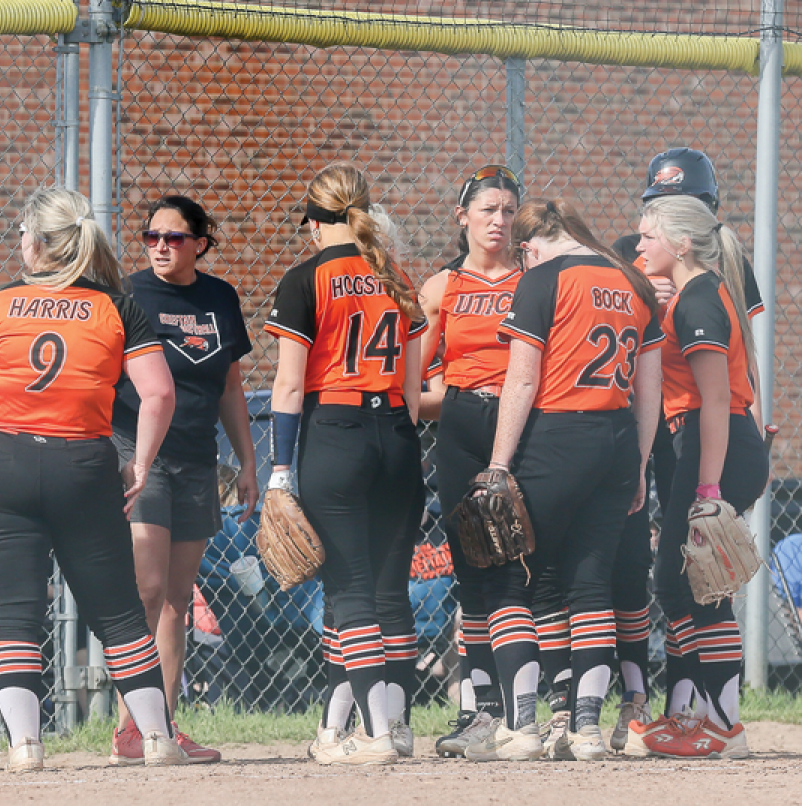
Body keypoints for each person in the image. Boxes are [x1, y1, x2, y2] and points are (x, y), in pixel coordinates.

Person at [0, 188, 185, 772]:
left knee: (12, 611)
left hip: (3, 463)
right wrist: (141, 463)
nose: (18, 243)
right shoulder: (116, 305)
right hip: (83, 464)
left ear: (39, 243)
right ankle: (155, 737)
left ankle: (25, 746)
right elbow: (159, 393)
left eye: (23, 234)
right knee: (118, 610)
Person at [465, 199, 662, 762]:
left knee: (507, 570)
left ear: (529, 246)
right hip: (618, 438)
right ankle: (584, 728)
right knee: (589, 582)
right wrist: (641, 466)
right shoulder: (632, 280)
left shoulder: (543, 279)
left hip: (557, 433)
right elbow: (649, 391)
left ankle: (523, 725)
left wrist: (499, 466)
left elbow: (522, 383)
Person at [265, 162, 427, 765]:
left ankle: (377, 735)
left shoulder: (307, 277)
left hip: (336, 430)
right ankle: (394, 726)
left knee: (350, 589)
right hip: (397, 434)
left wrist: (281, 470)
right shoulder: (394, 274)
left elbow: (287, 387)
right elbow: (413, 390)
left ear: (313, 222)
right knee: (391, 589)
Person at [609, 147, 765, 751]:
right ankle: (707, 721)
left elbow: (717, 402)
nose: (640, 243)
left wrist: (705, 492)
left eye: (650, 235)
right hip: (708, 443)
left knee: (682, 587)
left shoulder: (698, 297)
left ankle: (722, 727)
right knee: (693, 583)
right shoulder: (696, 286)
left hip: (712, 446)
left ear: (681, 242)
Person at [107, 195, 258, 765]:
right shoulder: (127, 294)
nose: (161, 247)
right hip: (139, 453)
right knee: (145, 591)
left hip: (196, 456)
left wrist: (246, 461)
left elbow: (229, 387)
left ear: (200, 242)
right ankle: (132, 726)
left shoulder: (220, 298)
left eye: (173, 238)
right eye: (152, 238)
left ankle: (161, 728)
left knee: (176, 598)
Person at [413, 165, 527, 757]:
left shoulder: (532, 279)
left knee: (524, 565)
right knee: (473, 570)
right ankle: (482, 710)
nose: (499, 222)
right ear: (463, 217)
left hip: (522, 427)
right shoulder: (441, 288)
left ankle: (532, 711)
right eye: (488, 210)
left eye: (509, 211)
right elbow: (413, 382)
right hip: (461, 423)